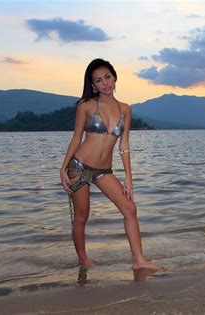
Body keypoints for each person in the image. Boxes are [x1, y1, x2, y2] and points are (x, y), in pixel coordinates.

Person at [59, 58, 160, 271]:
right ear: (93, 85)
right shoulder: (85, 106)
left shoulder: (125, 109)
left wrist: (129, 177)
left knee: (130, 208)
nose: (105, 83)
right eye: (98, 80)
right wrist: (63, 168)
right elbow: (77, 138)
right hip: (80, 166)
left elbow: (124, 145)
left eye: (107, 77)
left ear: (114, 77)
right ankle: (84, 260)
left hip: (104, 170)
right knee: (82, 216)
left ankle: (138, 260)